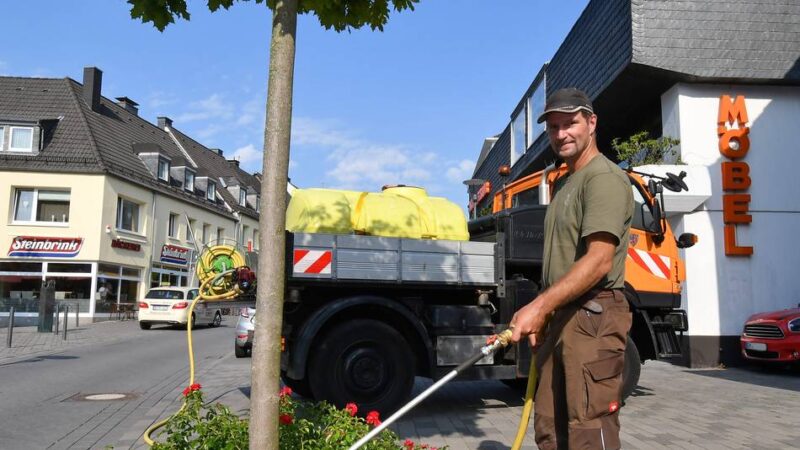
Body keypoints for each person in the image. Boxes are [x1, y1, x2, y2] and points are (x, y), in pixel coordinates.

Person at [509, 87, 634, 450]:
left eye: (570, 124)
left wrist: (539, 307)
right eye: (553, 127)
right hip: (562, 316)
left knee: (587, 428)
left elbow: (598, 261)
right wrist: (546, 313)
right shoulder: (565, 182)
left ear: (591, 123)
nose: (561, 134)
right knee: (549, 427)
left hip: (593, 314)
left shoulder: (603, 178)